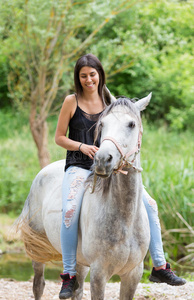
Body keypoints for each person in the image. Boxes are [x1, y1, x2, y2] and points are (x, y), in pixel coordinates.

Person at [55, 54, 186, 299]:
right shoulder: (71, 101)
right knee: (69, 210)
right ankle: (70, 274)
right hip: (79, 166)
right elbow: (59, 137)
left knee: (150, 204)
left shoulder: (110, 103)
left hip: (110, 168)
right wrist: (82, 147)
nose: (88, 79)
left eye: (92, 74)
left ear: (100, 75)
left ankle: (159, 266)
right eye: (83, 75)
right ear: (78, 77)